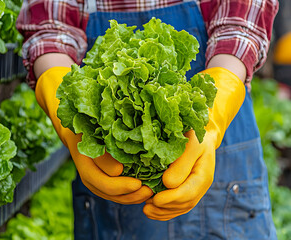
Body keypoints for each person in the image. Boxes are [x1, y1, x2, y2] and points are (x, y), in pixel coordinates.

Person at [17, 0, 279, 239]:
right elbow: (50, 29)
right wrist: (70, 122)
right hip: (113, 174)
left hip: (227, 145)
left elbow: (242, 20)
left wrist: (213, 117)